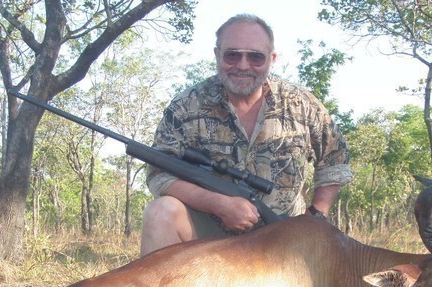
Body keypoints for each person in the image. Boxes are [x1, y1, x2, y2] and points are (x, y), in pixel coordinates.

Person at [140, 14, 352, 255]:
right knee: (160, 212)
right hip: (207, 236)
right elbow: (159, 174)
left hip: (284, 235)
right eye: (232, 55)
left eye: (255, 57)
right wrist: (219, 204)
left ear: (272, 59)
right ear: (217, 55)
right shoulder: (186, 104)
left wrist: (315, 217)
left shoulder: (301, 104)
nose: (242, 65)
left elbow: (336, 159)